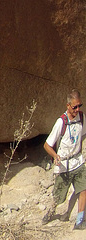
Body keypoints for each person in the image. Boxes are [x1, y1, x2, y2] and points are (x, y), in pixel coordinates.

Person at [43, 89, 86, 229]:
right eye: (74, 107)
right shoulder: (60, 122)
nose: (77, 109)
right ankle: (50, 212)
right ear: (67, 105)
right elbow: (47, 145)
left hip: (78, 162)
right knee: (58, 196)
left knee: (83, 189)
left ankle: (79, 222)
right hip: (64, 166)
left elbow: (83, 136)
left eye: (80, 105)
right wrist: (55, 156)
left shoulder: (82, 118)